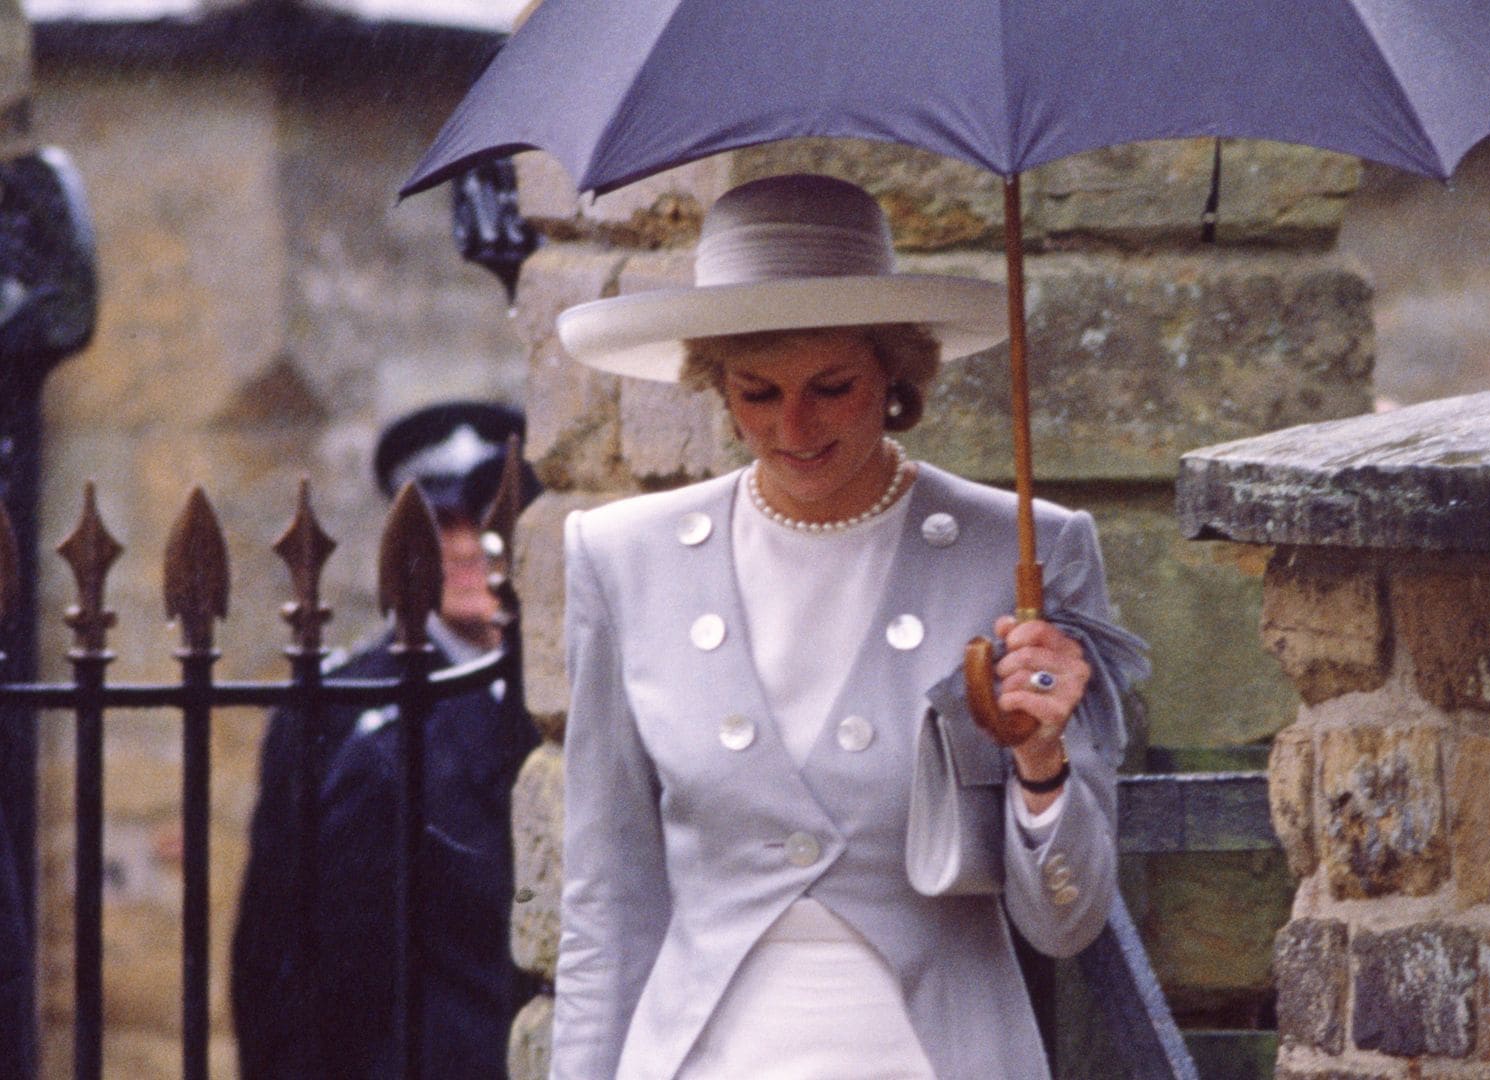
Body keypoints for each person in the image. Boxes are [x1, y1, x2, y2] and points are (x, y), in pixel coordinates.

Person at [550, 173, 1148, 1079]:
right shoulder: (624, 556)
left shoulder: (1024, 551)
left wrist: (1040, 760)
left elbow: (1066, 922)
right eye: (757, 393)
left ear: (895, 375)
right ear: (717, 387)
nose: (793, 426)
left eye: (831, 386)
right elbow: (607, 899)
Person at [230, 402, 540, 1080]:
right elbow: (283, 954)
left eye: (485, 526)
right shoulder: (339, 704)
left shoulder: (553, 692)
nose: (464, 549)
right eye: (442, 527)